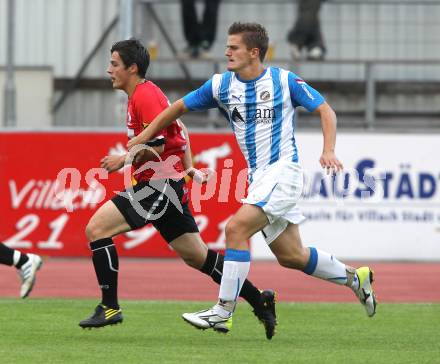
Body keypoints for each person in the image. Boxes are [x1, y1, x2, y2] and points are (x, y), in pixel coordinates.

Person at [127, 22, 377, 334]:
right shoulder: (221, 85)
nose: (227, 52)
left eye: (234, 47)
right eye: (227, 46)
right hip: (260, 178)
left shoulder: (283, 81)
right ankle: (355, 278)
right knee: (291, 256)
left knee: (235, 229)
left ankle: (223, 311)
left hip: (284, 172)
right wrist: (144, 136)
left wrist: (328, 149)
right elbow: (173, 110)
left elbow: (326, 111)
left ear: (254, 52)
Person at [78, 39, 277, 340]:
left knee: (96, 229)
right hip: (166, 185)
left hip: (158, 186)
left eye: (114, 64)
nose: (109, 70)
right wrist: (189, 168)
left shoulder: (145, 96)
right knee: (198, 257)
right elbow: (180, 130)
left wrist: (125, 159)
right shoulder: (144, 95)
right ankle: (259, 298)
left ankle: (109, 307)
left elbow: (158, 143)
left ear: (132, 68)